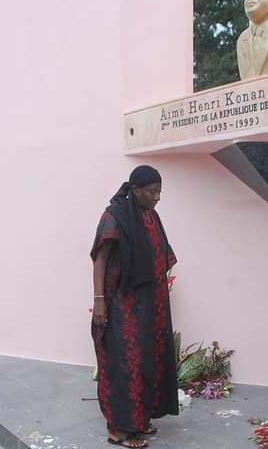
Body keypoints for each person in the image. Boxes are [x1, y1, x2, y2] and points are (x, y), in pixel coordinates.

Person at [91, 165, 178, 448]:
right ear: (136, 189)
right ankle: (118, 430)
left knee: (147, 362)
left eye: (159, 192)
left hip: (150, 306)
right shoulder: (114, 217)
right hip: (122, 304)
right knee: (124, 364)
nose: (157, 197)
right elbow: (100, 259)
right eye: (152, 192)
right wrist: (99, 302)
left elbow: (161, 255)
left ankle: (140, 421)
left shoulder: (151, 217)